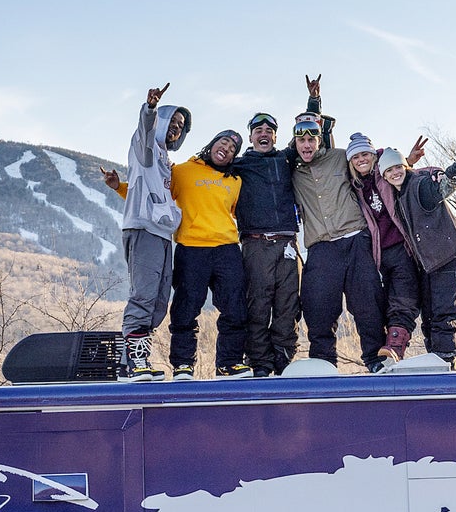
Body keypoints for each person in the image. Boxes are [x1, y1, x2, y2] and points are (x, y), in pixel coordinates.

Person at [103, 128, 250, 379]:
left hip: (227, 249)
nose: (227, 149)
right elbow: (152, 194)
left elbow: (240, 213)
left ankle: (229, 363)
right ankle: (183, 365)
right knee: (185, 310)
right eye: (223, 142)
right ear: (212, 144)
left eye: (233, 149)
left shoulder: (234, 181)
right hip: (191, 249)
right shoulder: (182, 171)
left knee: (235, 309)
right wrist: (120, 187)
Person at [229, 79, 322, 376]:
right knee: (257, 306)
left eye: (269, 131)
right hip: (255, 244)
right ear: (251, 137)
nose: (264, 134)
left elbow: (309, 135)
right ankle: (260, 366)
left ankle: (282, 363)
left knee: (288, 306)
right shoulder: (239, 165)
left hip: (287, 244)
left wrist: (313, 102)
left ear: (276, 137)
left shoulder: (285, 159)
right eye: (259, 131)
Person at [289, 102, 386, 372]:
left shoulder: (340, 157)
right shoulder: (291, 169)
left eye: (312, 139)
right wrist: (310, 104)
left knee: (368, 304)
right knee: (318, 307)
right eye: (301, 140)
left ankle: (376, 360)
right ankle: (323, 365)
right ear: (295, 142)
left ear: (320, 140)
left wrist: (407, 163)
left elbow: (369, 163)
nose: (307, 144)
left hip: (355, 240)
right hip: (321, 247)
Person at [117, 84, 192, 381]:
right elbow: (145, 131)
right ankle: (133, 363)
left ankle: (135, 361)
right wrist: (149, 109)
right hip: (143, 230)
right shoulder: (145, 149)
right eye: (171, 121)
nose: (175, 128)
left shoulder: (163, 160)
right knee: (144, 296)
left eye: (180, 126)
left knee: (160, 300)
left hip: (163, 235)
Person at [373, 146, 456, 365]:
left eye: (398, 167)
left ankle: (446, 362)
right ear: (384, 175)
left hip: (447, 256)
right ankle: (436, 361)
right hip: (428, 263)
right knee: (429, 318)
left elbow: (438, 190)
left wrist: (453, 176)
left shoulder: (418, 186)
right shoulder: (397, 195)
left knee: (442, 315)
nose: (395, 173)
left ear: (405, 167)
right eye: (389, 170)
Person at [354, 133, 426, 354]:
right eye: (355, 157)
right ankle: (388, 350)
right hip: (377, 253)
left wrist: (408, 161)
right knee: (384, 302)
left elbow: (397, 170)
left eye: (365, 154)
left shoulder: (382, 173)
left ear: (373, 155)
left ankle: (396, 346)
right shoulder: (355, 184)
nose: (361, 160)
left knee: (404, 295)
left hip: (400, 246)